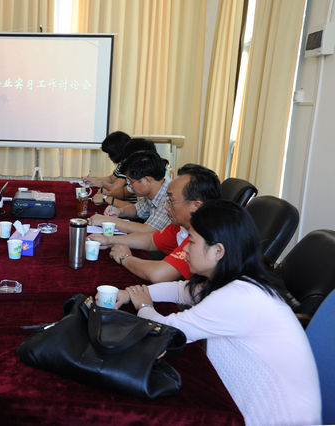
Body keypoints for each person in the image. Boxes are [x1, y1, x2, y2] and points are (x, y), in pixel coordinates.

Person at [113, 200, 321, 426]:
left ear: (218, 251)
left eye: (191, 241)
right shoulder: (235, 279)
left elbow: (167, 332)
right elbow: (181, 291)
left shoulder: (239, 296)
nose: (185, 249)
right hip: (237, 399)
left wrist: (143, 306)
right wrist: (131, 293)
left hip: (272, 417)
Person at [88, 164, 220, 283]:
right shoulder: (182, 226)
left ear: (196, 206)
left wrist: (125, 258)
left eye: (171, 201)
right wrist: (108, 240)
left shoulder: (203, 236)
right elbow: (150, 240)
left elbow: (159, 274)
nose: (166, 207)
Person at [88, 150, 170, 234]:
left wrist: (107, 220)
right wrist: (119, 211)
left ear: (147, 180)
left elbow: (148, 230)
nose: (129, 186)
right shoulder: (153, 191)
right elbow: (137, 210)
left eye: (131, 182)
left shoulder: (169, 197)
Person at [82, 131, 132, 202]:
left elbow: (115, 188)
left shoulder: (128, 165)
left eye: (110, 153)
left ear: (117, 152)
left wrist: (101, 184)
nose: (108, 156)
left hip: (124, 203)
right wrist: (93, 179)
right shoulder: (122, 163)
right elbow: (111, 179)